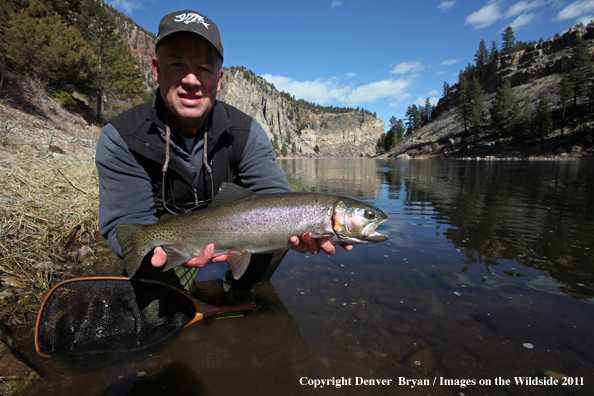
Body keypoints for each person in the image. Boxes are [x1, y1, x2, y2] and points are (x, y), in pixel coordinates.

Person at [95, 10, 352, 292]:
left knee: (293, 189)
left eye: (205, 69)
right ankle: (168, 290)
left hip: (236, 226)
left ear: (219, 79)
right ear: (156, 70)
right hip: (171, 238)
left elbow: (273, 195)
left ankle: (241, 289)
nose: (192, 80)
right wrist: (150, 253)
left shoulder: (245, 132)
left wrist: (302, 227)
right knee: (160, 314)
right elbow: (127, 222)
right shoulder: (122, 137)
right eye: (177, 64)